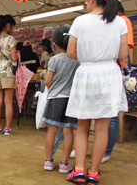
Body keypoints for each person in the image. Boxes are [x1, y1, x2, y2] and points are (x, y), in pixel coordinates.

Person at [66, 0, 129, 184]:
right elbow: (122, 54)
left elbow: (70, 52)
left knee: (82, 127)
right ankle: (94, 172)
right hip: (110, 74)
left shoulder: (80, 22)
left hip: (87, 74)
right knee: (102, 127)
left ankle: (79, 170)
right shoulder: (119, 22)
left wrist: (88, 55)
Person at [43, 25, 79, 173]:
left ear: (55, 45)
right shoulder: (77, 59)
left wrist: (53, 91)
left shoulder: (54, 60)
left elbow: (47, 81)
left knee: (52, 131)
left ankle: (48, 161)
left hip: (55, 98)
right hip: (71, 99)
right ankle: (65, 164)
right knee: (68, 132)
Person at [0, 15, 18, 135]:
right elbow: (14, 58)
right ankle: (8, 127)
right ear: (8, 25)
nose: (12, 29)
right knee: (8, 102)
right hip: (8, 72)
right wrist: (17, 54)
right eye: (12, 26)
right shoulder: (11, 39)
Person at [20, 40, 40, 113]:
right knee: (31, 93)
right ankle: (28, 108)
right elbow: (38, 65)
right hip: (32, 78)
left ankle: (22, 108)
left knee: (23, 92)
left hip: (22, 78)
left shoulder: (21, 56)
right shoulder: (34, 55)